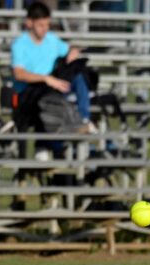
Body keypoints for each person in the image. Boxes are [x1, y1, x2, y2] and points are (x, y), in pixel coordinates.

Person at [11, 1, 97, 158]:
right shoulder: (20, 44)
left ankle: (83, 119)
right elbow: (19, 74)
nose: (45, 29)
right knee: (49, 98)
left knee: (78, 76)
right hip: (28, 94)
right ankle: (50, 146)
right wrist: (46, 78)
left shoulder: (52, 40)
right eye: (41, 25)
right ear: (29, 23)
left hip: (52, 89)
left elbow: (68, 49)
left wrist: (72, 53)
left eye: (47, 25)